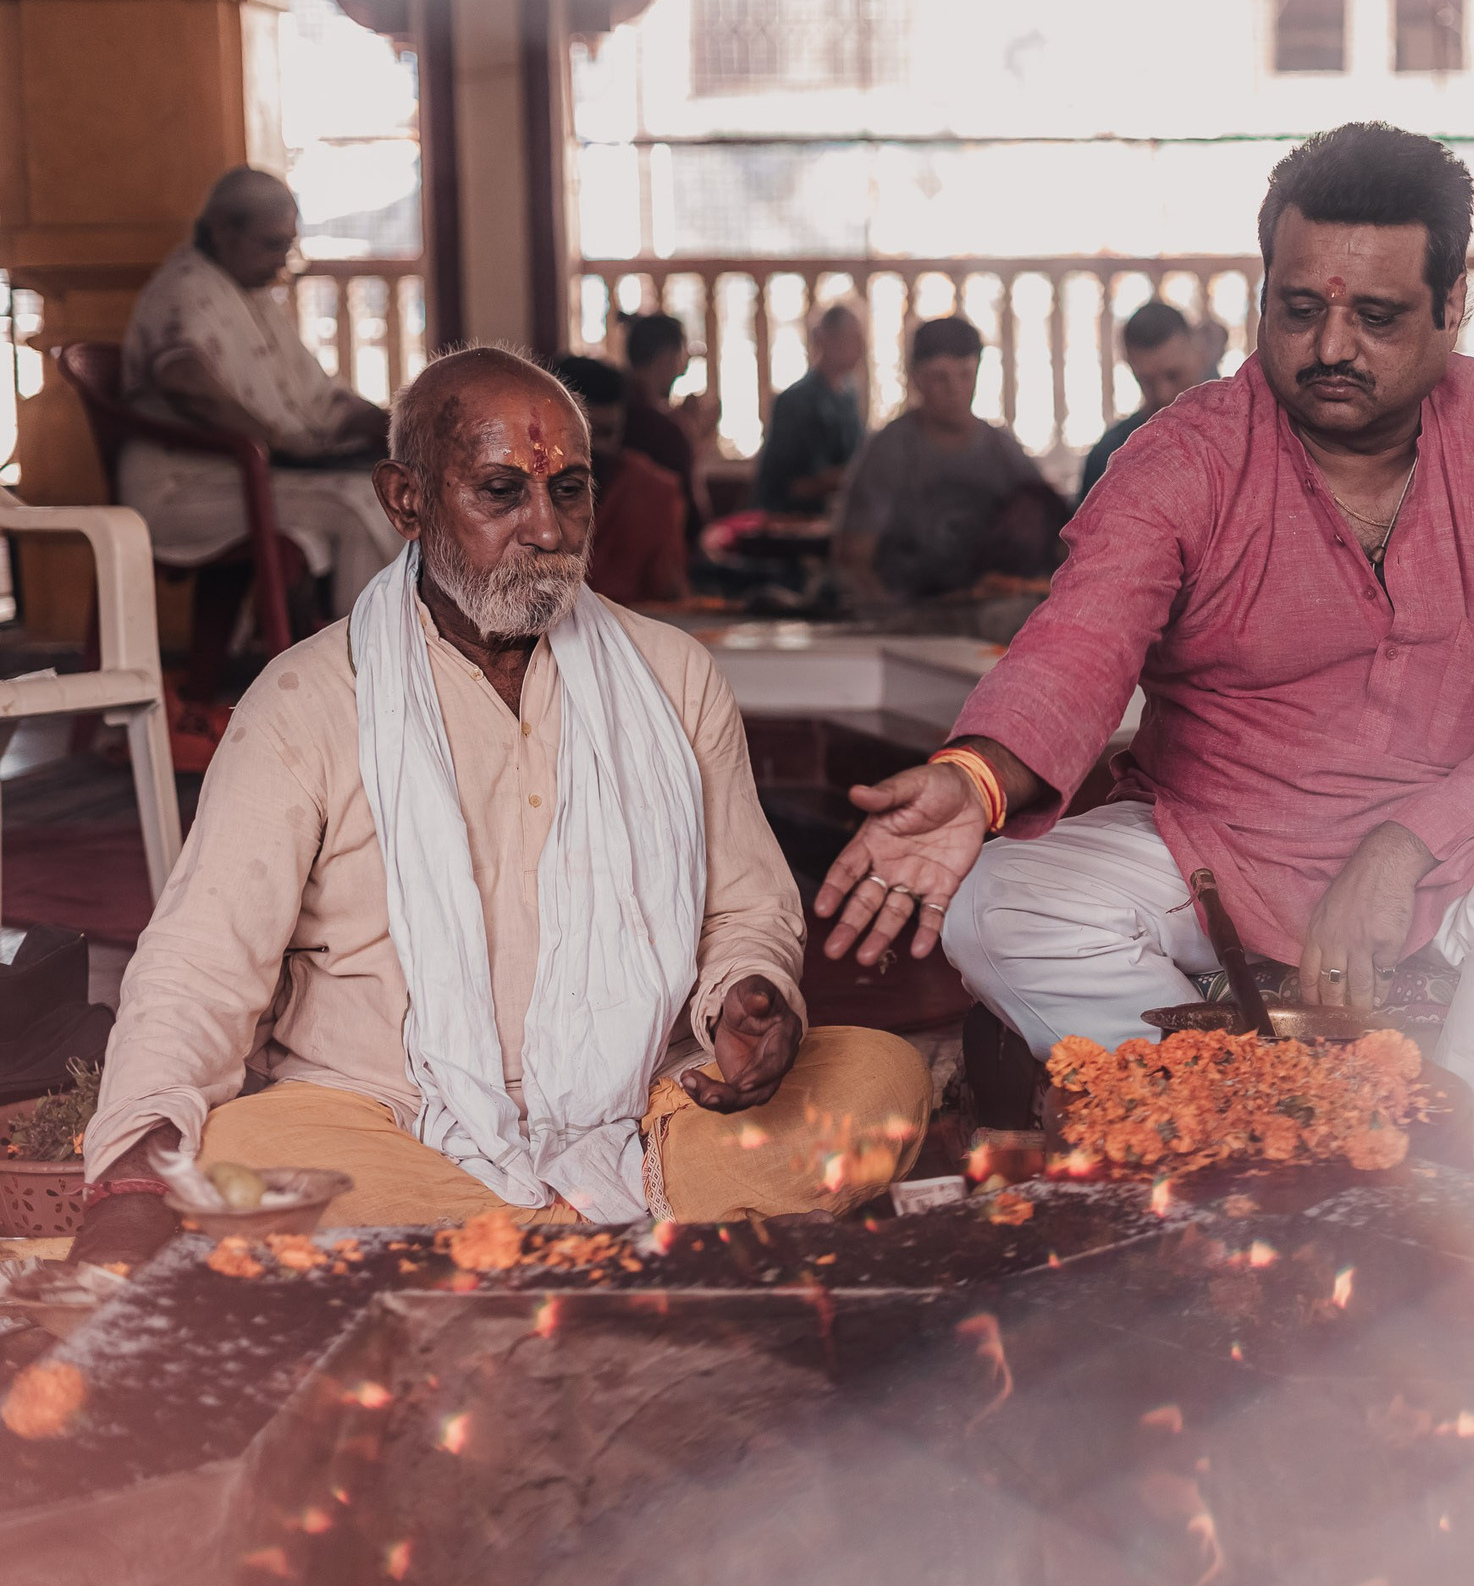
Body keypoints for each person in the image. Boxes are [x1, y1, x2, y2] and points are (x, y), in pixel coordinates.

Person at [811, 123, 1474, 1177]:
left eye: (1376, 316)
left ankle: (1454, 1182)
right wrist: (979, 774)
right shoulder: (1184, 455)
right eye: (1301, 309)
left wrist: (1404, 844)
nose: (1330, 348)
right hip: (1213, 847)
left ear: (1451, 309)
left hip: (1456, 858)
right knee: (999, 909)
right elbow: (1079, 641)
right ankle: (1229, 1155)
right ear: (1262, 291)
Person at [70, 347, 929, 1268]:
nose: (548, 531)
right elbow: (202, 962)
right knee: (247, 1152)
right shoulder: (309, 697)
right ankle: (615, 1249)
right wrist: (128, 1185)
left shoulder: (672, 676)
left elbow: (747, 905)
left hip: (647, 1108)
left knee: (881, 1081)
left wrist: (745, 992)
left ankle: (507, 1255)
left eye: (569, 491)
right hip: (385, 1114)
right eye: (500, 491)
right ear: (405, 501)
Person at [119, 167, 405, 615]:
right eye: (271, 245)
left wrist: (400, 428)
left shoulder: (249, 296)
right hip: (182, 490)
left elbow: (322, 398)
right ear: (222, 230)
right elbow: (185, 382)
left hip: (246, 476)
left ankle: (408, 657)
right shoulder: (184, 290)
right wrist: (278, 443)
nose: (281, 261)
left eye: (286, 246)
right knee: (359, 507)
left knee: (395, 491)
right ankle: (362, 673)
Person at [827, 316, 1064, 602]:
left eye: (965, 375)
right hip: (906, 617)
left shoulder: (1002, 451)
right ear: (916, 379)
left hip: (985, 617)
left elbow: (1056, 534)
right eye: (940, 377)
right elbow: (853, 560)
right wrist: (895, 621)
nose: (955, 390)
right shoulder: (889, 451)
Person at [550, 355, 688, 605]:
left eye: (609, 432)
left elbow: (669, 602)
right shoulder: (521, 494)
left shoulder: (652, 491)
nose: (596, 448)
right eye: (585, 435)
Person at [1078, 301, 1213, 505]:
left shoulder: (1241, 438)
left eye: (1173, 375)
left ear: (1199, 356)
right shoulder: (1109, 456)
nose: (1163, 394)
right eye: (1146, 381)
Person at [755, 302, 869, 515]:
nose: (861, 348)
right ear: (826, 340)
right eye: (852, 338)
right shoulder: (796, 401)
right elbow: (787, 484)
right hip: (792, 518)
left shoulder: (848, 396)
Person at [621, 312, 705, 547]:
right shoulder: (667, 429)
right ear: (667, 355)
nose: (682, 370)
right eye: (681, 357)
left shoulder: (613, 412)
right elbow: (692, 522)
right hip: (659, 556)